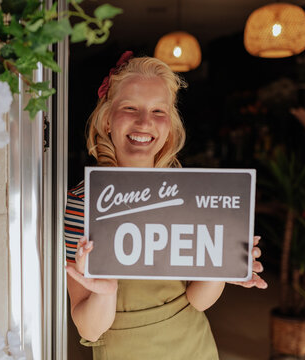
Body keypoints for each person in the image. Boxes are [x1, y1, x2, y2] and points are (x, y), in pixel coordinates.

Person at [65, 53, 267, 360]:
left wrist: (222, 264)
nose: (144, 122)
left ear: (169, 126)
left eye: (158, 111)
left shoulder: (189, 195)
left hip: (195, 346)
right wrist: (107, 291)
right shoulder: (83, 203)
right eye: (130, 107)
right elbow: (89, 330)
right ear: (107, 119)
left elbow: (196, 302)